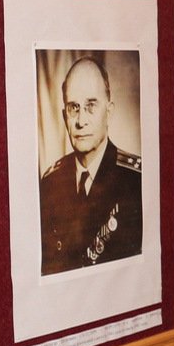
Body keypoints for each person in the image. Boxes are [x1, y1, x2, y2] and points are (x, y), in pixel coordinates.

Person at [40, 56, 142, 275]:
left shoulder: (136, 181)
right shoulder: (50, 184)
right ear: (64, 116)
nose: (81, 121)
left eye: (91, 106)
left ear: (109, 112)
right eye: (73, 108)